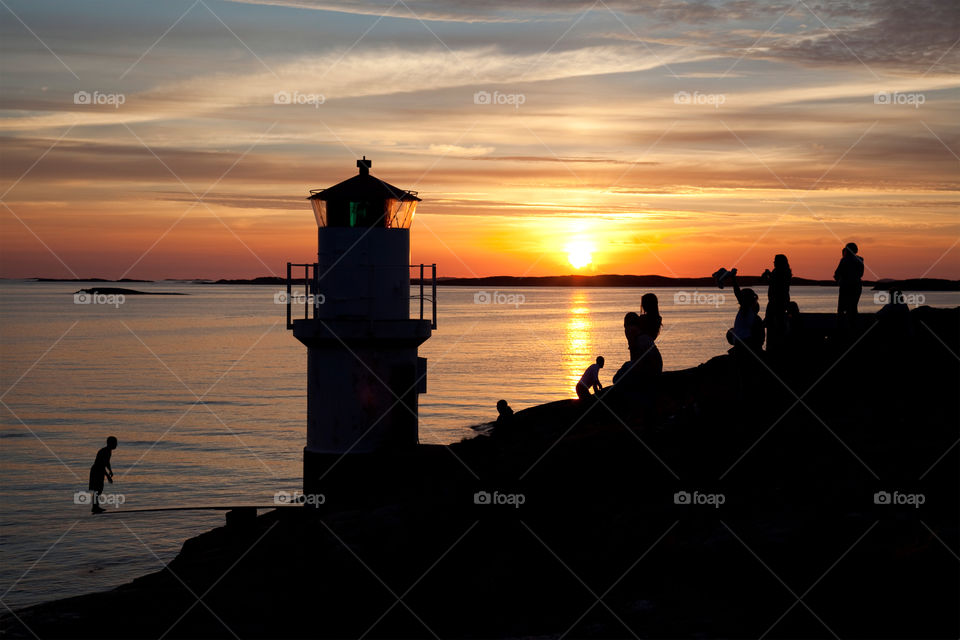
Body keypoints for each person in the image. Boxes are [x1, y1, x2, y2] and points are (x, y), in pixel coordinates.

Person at [726, 271, 764, 353]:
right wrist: (733, 279)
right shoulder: (746, 309)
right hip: (745, 343)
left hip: (744, 343)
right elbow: (737, 293)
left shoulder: (747, 311)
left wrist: (733, 278)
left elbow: (737, 293)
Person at [761, 254, 792, 352]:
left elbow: (776, 284)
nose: (773, 262)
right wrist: (768, 275)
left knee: (773, 326)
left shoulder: (781, 272)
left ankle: (773, 349)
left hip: (777, 304)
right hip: (778, 303)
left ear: (779, 262)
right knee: (774, 326)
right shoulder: (782, 272)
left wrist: (768, 275)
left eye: (775, 260)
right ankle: (774, 347)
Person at [834, 242, 864, 332]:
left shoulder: (844, 260)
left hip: (846, 286)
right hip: (857, 285)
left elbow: (837, 273)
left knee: (841, 308)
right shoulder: (860, 260)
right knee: (853, 307)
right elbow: (861, 274)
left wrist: (839, 280)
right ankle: (853, 327)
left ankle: (841, 329)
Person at [88, 436, 117, 514]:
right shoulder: (104, 451)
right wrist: (107, 476)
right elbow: (101, 465)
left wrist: (110, 470)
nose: (116, 445)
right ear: (110, 443)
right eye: (115, 443)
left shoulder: (108, 451)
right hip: (97, 470)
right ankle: (95, 507)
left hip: (99, 470)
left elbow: (107, 462)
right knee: (97, 490)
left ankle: (96, 506)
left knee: (99, 489)